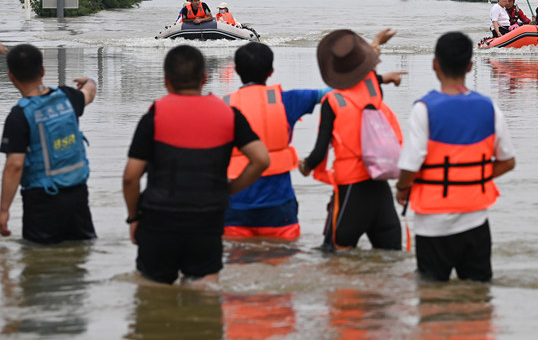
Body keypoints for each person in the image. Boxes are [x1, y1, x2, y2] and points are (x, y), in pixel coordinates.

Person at [123, 45, 269, 285]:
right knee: (205, 293)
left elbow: (131, 177)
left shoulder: (153, 117)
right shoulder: (229, 115)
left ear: (166, 81)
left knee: (153, 299)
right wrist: (230, 188)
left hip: (159, 222)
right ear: (205, 78)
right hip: (206, 221)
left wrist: (133, 218)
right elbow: (261, 160)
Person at [395, 32, 516, 282]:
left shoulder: (423, 109)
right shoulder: (489, 108)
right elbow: (507, 161)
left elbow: (411, 164)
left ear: (434, 64)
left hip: (432, 225)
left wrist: (402, 189)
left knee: (432, 301)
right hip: (476, 222)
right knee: (478, 299)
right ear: (471, 66)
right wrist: (475, 177)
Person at [298, 29, 404, 251]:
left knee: (332, 255)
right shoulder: (374, 92)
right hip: (380, 188)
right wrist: (376, 43)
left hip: (352, 190)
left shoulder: (332, 101)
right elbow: (371, 75)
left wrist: (306, 166)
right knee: (390, 259)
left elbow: (319, 152)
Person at [223, 42, 330, 239]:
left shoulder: (223, 106)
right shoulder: (289, 100)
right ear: (271, 71)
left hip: (235, 205)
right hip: (278, 205)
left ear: (236, 70)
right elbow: (332, 92)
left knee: (237, 262)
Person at [0, 44, 98, 244]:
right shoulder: (68, 97)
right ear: (43, 70)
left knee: (40, 262)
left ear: (11, 76)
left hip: (41, 203)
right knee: (80, 256)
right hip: (78, 196)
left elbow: (15, 165)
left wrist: (3, 210)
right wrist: (90, 80)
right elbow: (89, 92)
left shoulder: (18, 116)